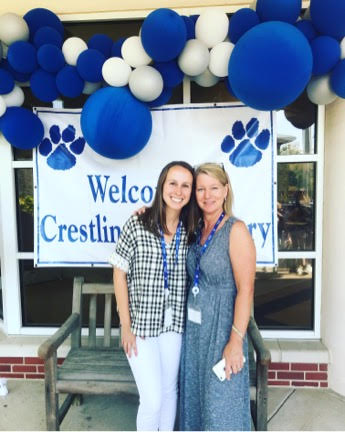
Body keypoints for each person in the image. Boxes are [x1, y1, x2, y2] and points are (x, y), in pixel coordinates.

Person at [109, 161, 198, 431]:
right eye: (173, 183)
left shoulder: (191, 229)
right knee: (152, 398)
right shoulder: (139, 222)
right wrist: (125, 325)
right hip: (141, 327)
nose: (178, 190)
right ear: (161, 186)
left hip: (174, 326)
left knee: (170, 391)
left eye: (186, 185)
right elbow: (119, 274)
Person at [179, 162, 256, 431]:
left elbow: (246, 290)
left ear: (226, 190)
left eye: (213, 188)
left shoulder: (236, 230)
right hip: (195, 331)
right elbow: (161, 219)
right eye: (201, 189)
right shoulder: (195, 228)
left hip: (223, 328)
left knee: (220, 405)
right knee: (194, 400)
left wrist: (235, 341)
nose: (207, 195)